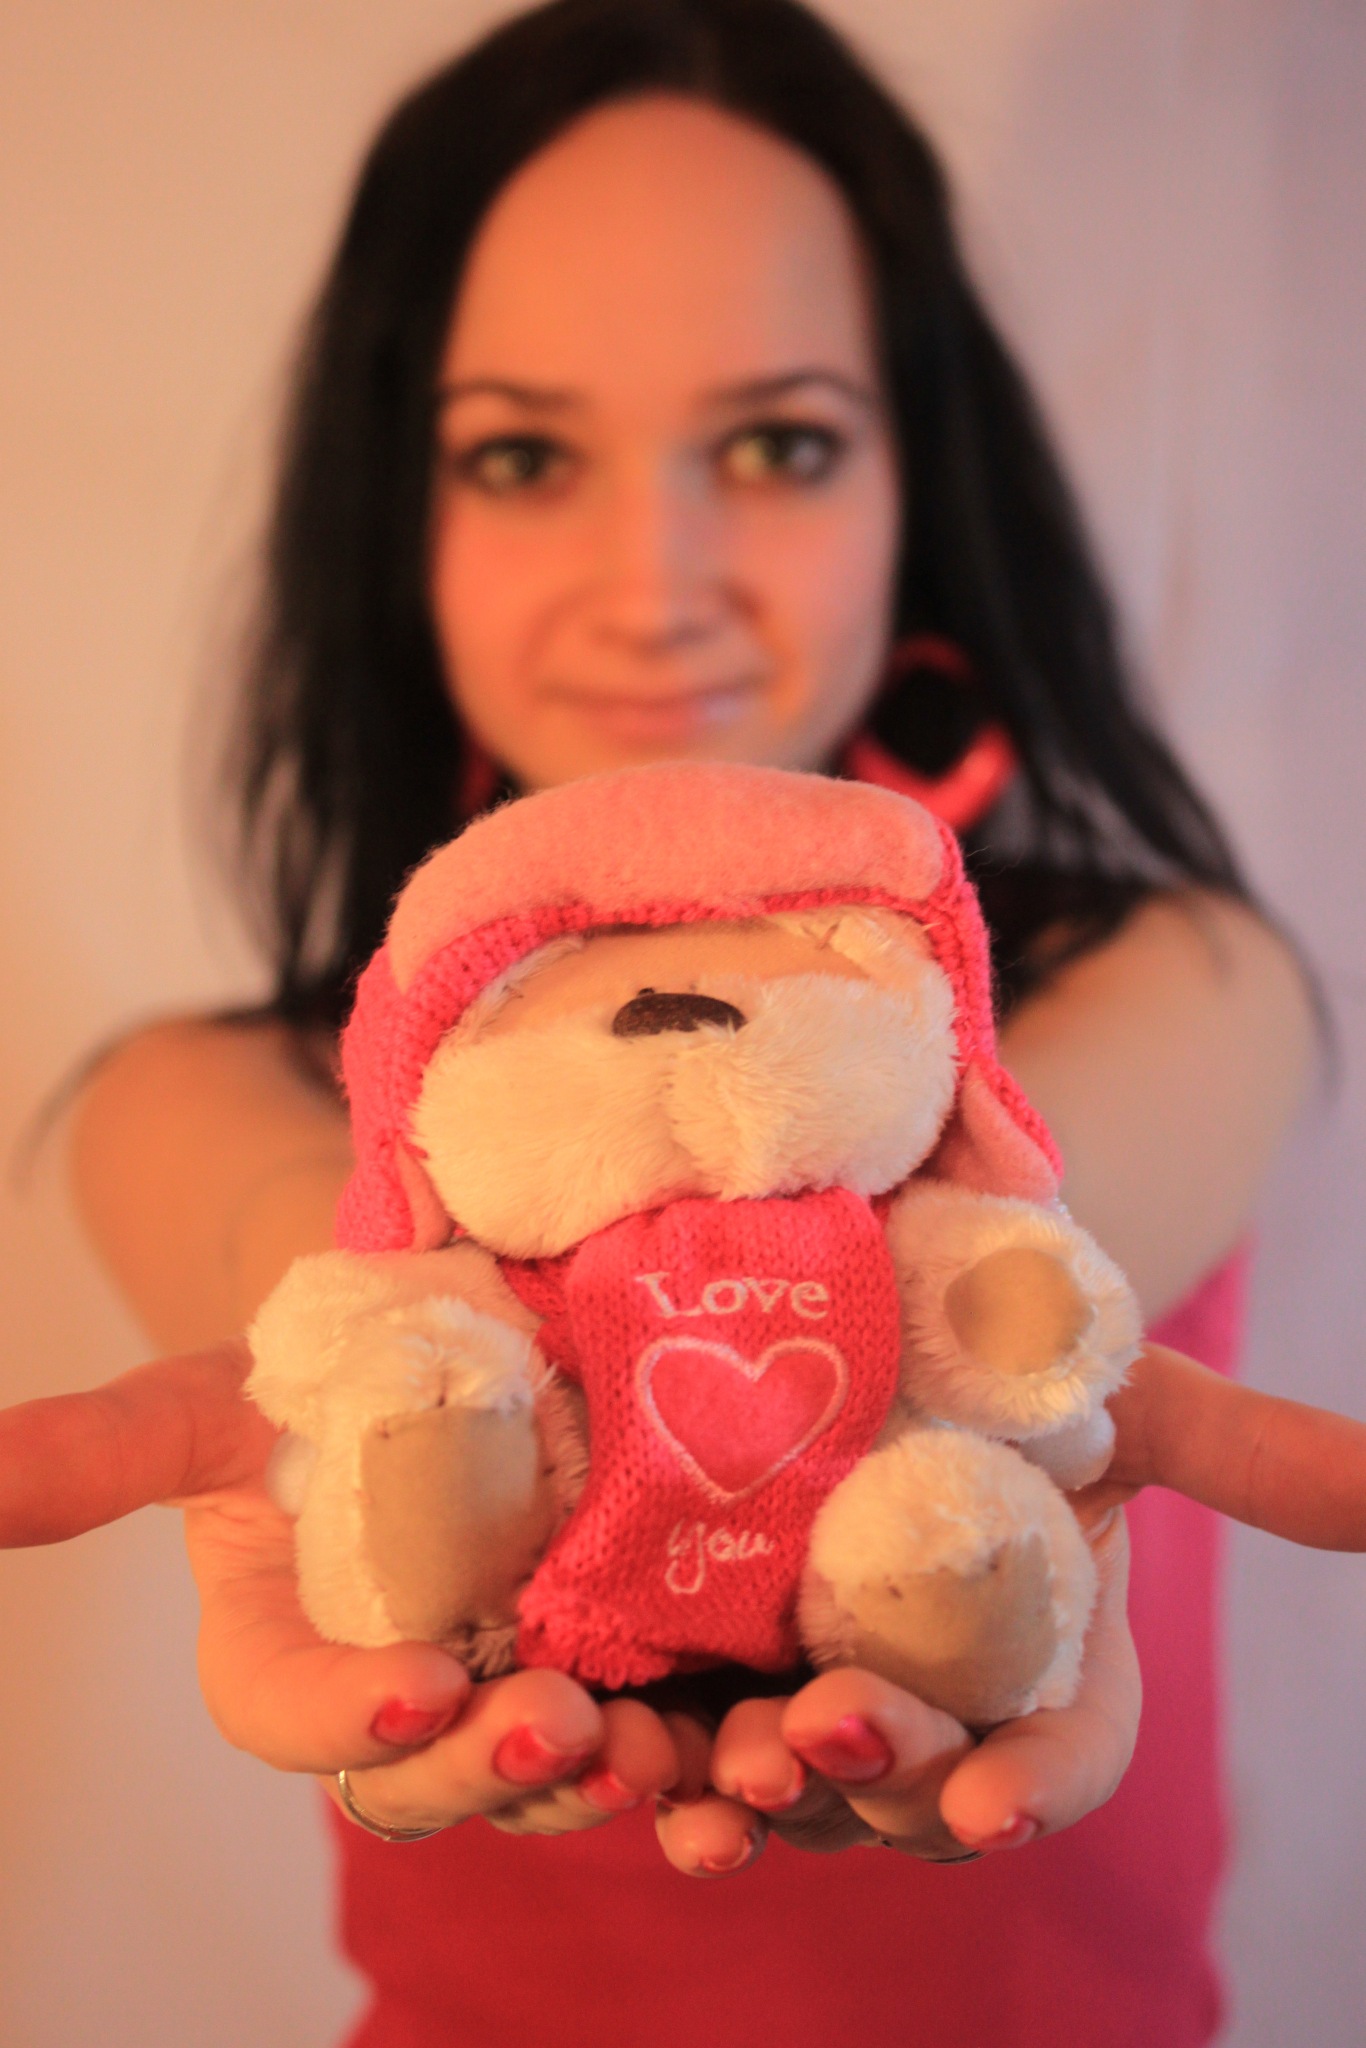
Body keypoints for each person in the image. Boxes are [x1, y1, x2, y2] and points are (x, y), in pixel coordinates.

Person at [0, 0, 1336, 2042]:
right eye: (522, 455)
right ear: (399, 522)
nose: (655, 582)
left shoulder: (1178, 980)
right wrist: (395, 1391)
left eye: (777, 443)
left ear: (917, 485)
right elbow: (379, 1332)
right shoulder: (191, 1096)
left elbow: (990, 1282)